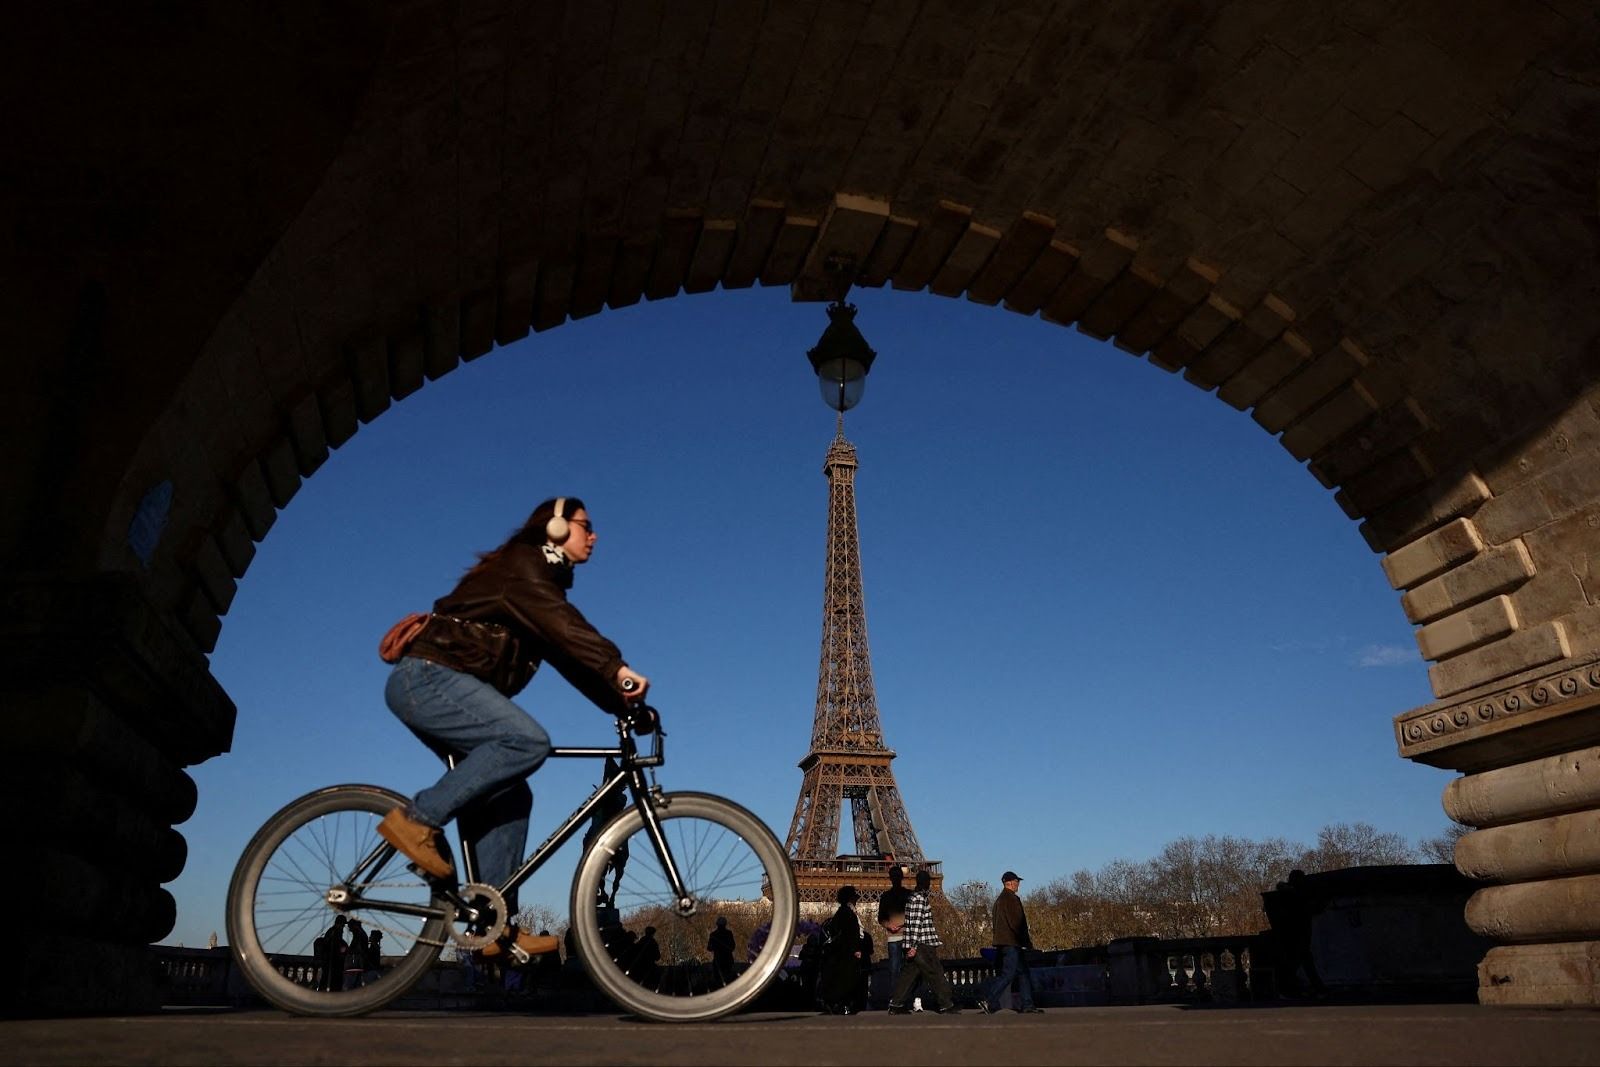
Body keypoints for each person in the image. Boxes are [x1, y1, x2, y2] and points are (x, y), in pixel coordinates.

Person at [378, 497, 649, 962]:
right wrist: (618, 668)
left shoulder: (539, 590)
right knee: (526, 741)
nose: (595, 535)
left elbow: (568, 657)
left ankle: (493, 922)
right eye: (587, 525)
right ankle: (415, 820)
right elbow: (567, 630)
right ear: (557, 527)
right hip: (428, 677)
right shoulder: (524, 568)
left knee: (513, 793)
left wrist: (620, 703)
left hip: (440, 683)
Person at [886, 870, 960, 1014]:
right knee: (935, 973)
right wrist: (913, 946)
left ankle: (896, 1004)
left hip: (915, 943)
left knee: (909, 975)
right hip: (922, 944)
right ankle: (946, 1004)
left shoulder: (911, 897)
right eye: (927, 882)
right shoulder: (919, 898)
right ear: (925, 883)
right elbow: (916, 923)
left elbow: (911, 922)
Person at [981, 870, 1042, 1013]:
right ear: (1010, 883)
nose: (1018, 885)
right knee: (1009, 974)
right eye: (1017, 882)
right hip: (1012, 943)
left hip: (1004, 943)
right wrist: (1027, 942)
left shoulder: (999, 901)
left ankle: (1027, 1004)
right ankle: (989, 998)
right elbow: (1017, 923)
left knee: (1022, 973)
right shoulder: (1012, 900)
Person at [817, 885, 865, 1014]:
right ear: (850, 899)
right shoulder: (848, 913)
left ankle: (838, 1003)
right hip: (846, 952)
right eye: (854, 898)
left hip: (842, 951)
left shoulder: (842, 912)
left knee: (843, 978)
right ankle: (842, 1004)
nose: (856, 900)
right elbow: (851, 934)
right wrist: (856, 949)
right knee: (847, 978)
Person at [877, 864, 911, 1000]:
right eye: (894, 876)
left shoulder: (908, 894)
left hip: (907, 936)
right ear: (891, 878)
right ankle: (896, 999)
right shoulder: (886, 897)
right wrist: (889, 925)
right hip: (893, 937)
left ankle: (905, 997)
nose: (896, 879)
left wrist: (900, 924)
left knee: (907, 969)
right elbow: (881, 918)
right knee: (895, 969)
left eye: (898, 876)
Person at [707, 917, 737, 986]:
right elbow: (732, 947)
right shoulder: (728, 934)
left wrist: (716, 947)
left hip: (719, 961)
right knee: (728, 981)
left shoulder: (713, 935)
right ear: (725, 924)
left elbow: (709, 948)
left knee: (718, 982)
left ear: (717, 924)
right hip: (726, 961)